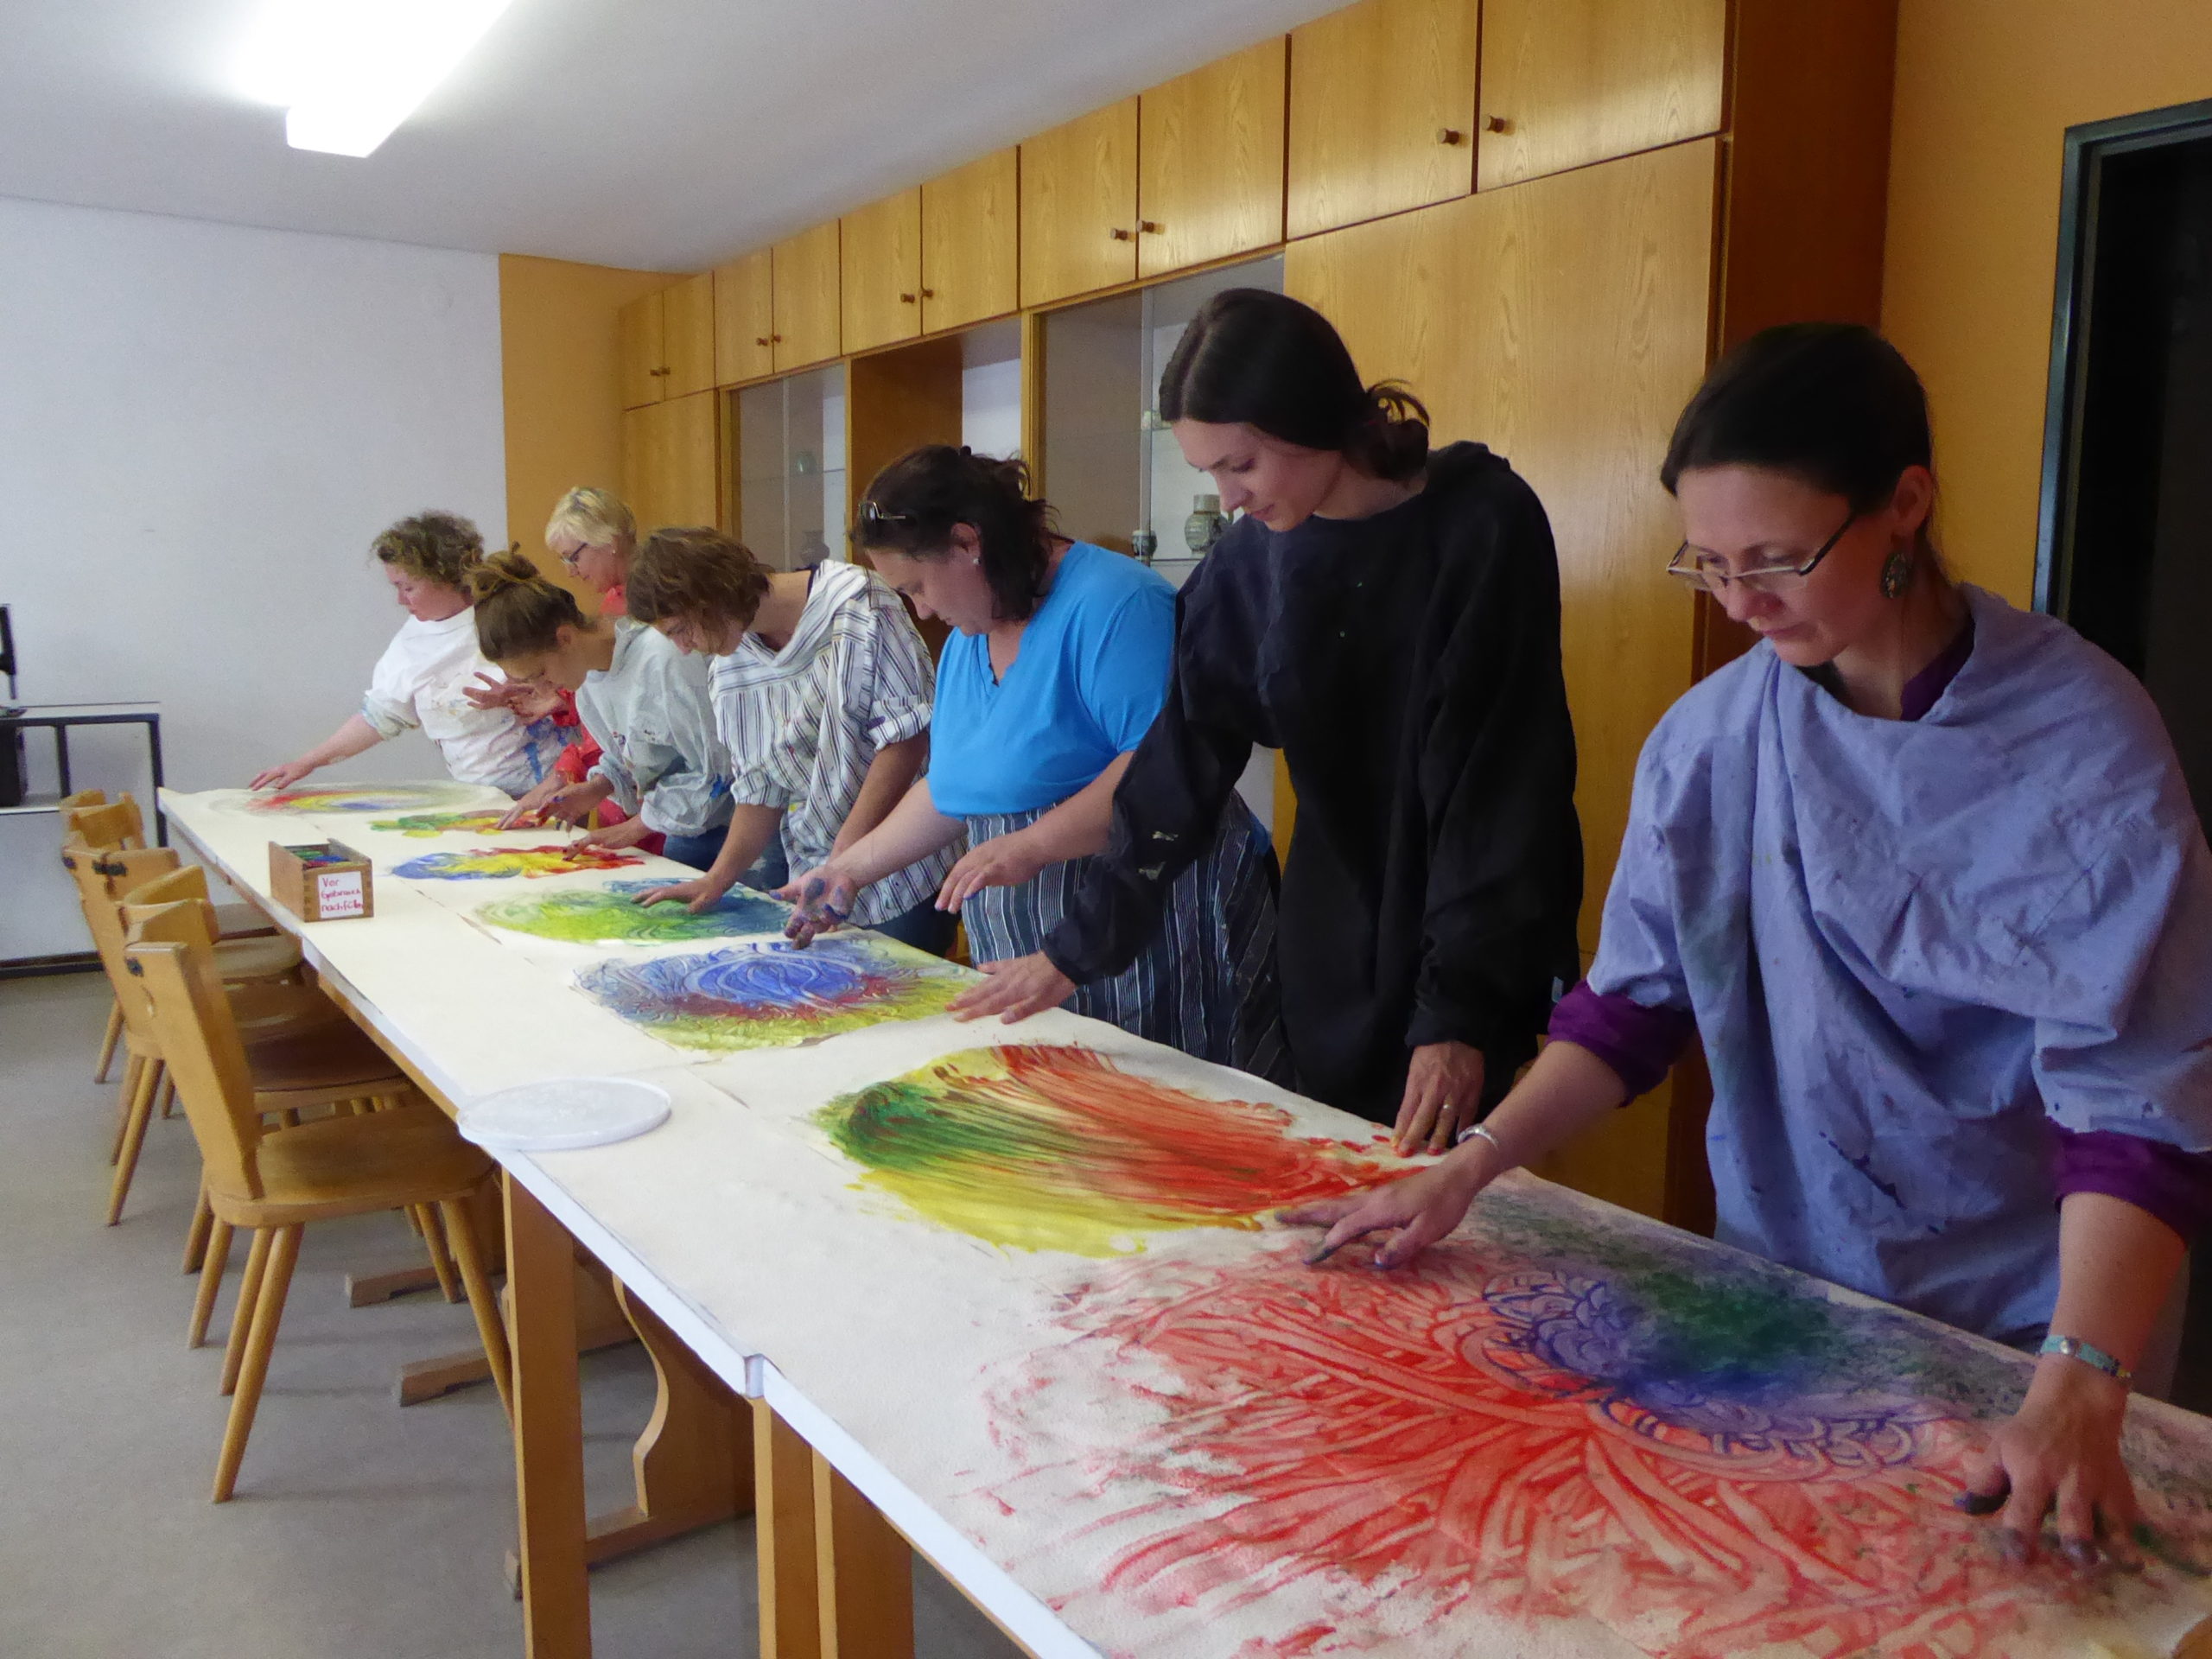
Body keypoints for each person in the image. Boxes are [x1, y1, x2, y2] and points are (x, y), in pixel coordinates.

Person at [1294, 322, 2212, 1567]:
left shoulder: (2082, 742)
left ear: (1906, 505)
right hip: (1798, 1271)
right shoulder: (1716, 737)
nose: (1739, 604)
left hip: (2042, 1312)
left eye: (1777, 559)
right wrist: (1477, 1163)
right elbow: (1632, 1011)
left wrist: (2083, 1375)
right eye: (1708, 564)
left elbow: (2137, 1103)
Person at [945, 290, 1583, 1153]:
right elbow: (1178, 766)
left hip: (1467, 909)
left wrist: (1459, 1013)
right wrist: (1075, 951)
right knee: (1333, 1168)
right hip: (1330, 924)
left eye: (1239, 464)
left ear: (1310, 414)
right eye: (1208, 472)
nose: (1228, 496)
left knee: (1436, 1191)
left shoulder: (1479, 521)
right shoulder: (1250, 564)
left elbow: (1502, 780)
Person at [785, 447, 1284, 1076]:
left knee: (1162, 1110)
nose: (923, 612)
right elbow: (958, 785)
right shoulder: (975, 628)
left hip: (1146, 912)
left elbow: (1158, 769)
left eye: (916, 588)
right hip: (1031, 922)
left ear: (968, 543)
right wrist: (849, 870)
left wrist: (1034, 845)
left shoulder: (1117, 603)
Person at [624, 526, 956, 950]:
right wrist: (717, 879)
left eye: (680, 629)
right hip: (818, 870)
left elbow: (906, 740)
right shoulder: (729, 665)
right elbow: (761, 786)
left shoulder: (857, 604)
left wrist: (846, 859)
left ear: (710, 597)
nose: (684, 648)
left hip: (900, 864)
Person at [251, 512, 571, 796]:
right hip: (480, 794)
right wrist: (308, 762)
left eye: (408, 587)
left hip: (550, 784)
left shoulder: (506, 614)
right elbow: (380, 715)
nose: (401, 601)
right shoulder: (411, 640)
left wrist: (530, 692)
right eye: (396, 588)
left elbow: (578, 683)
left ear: (446, 578)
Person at [464, 551, 734, 869]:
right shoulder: (590, 678)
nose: (542, 689)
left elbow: (717, 772)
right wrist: (598, 786)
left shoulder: (664, 659)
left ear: (564, 638)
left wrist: (634, 827)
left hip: (731, 829)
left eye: (539, 674)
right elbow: (631, 754)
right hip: (686, 826)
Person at [476, 487, 638, 832]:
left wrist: (563, 774)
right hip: (630, 795)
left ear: (609, 539)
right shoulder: (613, 605)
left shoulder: (647, 618)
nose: (570, 571)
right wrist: (558, 699)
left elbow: (641, 736)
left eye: (572, 557)